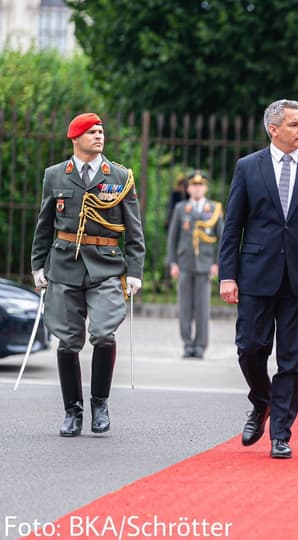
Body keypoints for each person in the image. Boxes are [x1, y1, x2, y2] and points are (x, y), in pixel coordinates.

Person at [218, 99, 298, 460]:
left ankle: (281, 433)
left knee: (292, 360)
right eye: (294, 124)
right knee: (250, 348)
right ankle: (262, 400)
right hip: (256, 275)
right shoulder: (248, 167)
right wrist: (228, 276)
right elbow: (233, 226)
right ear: (273, 129)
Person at [30, 112, 146, 437]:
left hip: (106, 266)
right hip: (64, 265)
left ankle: (100, 404)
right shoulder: (55, 175)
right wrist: (38, 266)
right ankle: (72, 411)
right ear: (75, 138)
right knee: (67, 341)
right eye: (91, 132)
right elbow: (44, 225)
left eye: (101, 131)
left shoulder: (119, 176)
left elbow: (134, 230)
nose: (99, 136)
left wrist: (134, 271)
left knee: (105, 333)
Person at [166, 171, 223, 359]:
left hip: (205, 265)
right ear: (188, 188)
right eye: (194, 185)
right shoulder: (181, 209)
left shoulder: (213, 209)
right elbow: (173, 237)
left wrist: (218, 263)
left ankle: (200, 345)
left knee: (202, 308)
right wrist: (172, 262)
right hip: (184, 264)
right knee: (184, 307)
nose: (197, 188)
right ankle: (187, 344)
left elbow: (222, 240)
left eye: (201, 185)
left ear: (205, 187)